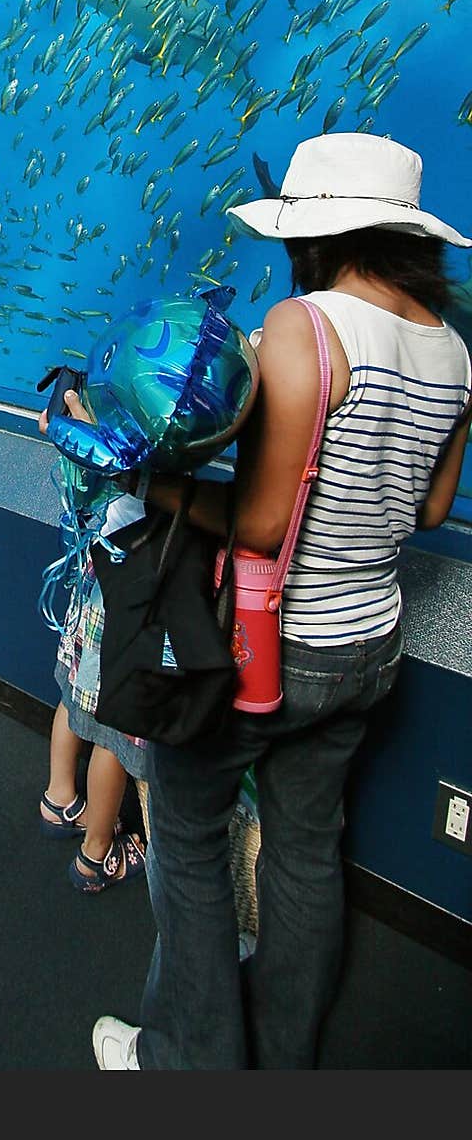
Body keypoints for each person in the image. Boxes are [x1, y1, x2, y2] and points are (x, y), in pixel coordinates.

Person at [90, 132, 472, 1069]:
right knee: (306, 847)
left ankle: (186, 1060)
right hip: (369, 646)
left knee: (184, 835)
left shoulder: (308, 328)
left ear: (321, 232)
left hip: (278, 649)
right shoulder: (455, 352)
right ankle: (284, 1051)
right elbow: (425, 510)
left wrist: (138, 476)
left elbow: (259, 526)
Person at [37, 412, 149, 892]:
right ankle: (96, 854)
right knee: (114, 737)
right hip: (121, 609)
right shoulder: (133, 469)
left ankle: (58, 798)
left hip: (89, 590)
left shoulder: (77, 454)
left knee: (72, 700)